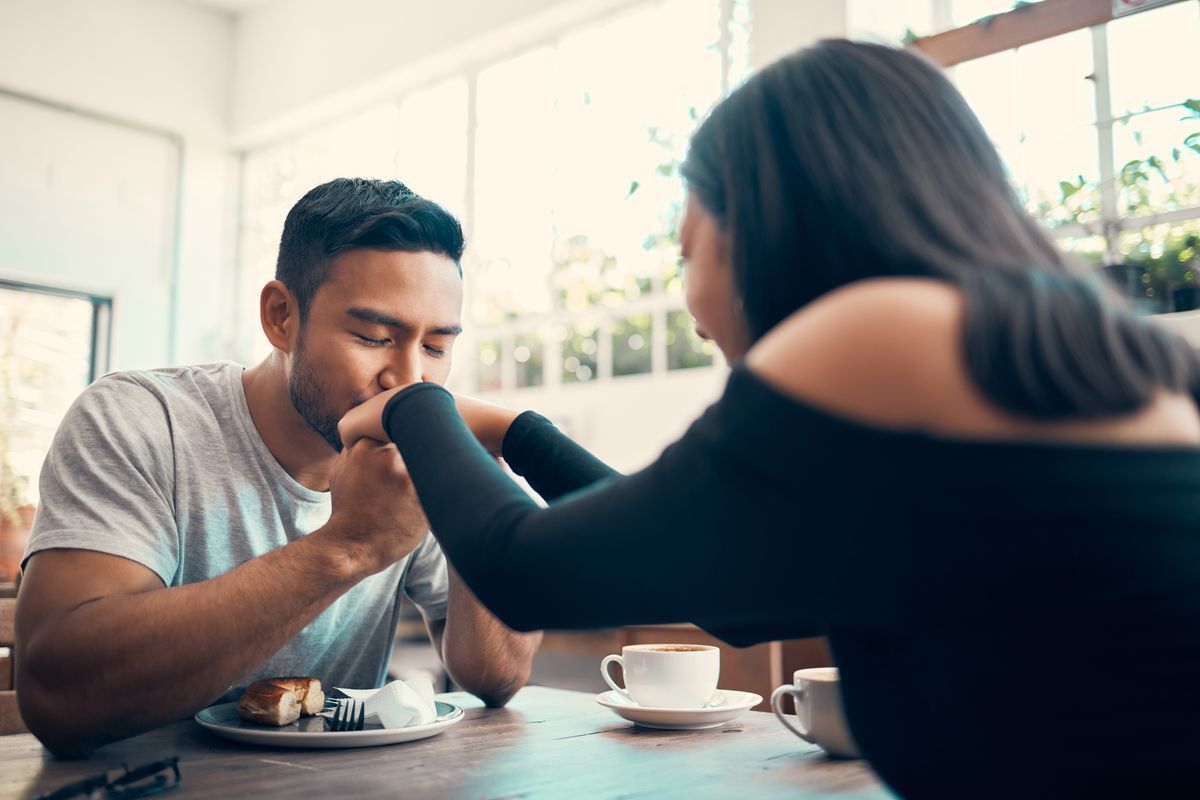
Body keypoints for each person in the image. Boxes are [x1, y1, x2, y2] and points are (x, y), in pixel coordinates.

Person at [337, 41, 1200, 797]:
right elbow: (722, 599)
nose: (693, 303)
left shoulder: (879, 328)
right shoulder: (1114, 361)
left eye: (685, 250)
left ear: (754, 222)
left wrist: (415, 404)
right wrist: (517, 434)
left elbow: (527, 574)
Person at [16, 178, 541, 758]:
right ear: (281, 316)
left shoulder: (412, 457)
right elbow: (57, 696)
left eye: (437, 347)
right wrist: (347, 548)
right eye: (373, 336)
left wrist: (479, 491)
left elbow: (496, 678)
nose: (408, 378)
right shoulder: (140, 420)